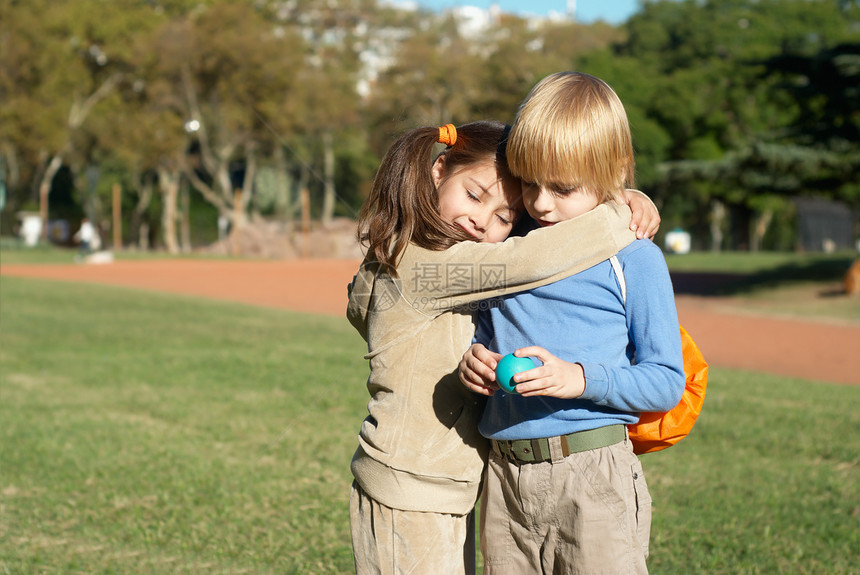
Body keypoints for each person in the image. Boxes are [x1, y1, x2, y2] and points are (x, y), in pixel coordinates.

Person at [347, 119, 660, 574]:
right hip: (409, 492)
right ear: (438, 170)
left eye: (503, 218)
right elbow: (529, 259)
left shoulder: (422, 252)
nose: (481, 221)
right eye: (474, 195)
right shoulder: (427, 267)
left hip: (440, 489)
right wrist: (617, 208)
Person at [458, 72, 686, 574]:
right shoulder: (509, 246)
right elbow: (484, 330)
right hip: (504, 477)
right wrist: (472, 361)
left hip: (593, 474)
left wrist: (578, 378)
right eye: (529, 182)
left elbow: (667, 381)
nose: (540, 203)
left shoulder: (632, 257)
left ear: (615, 170)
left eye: (562, 187)